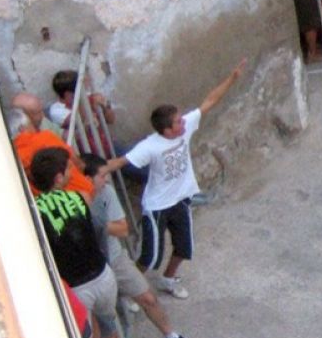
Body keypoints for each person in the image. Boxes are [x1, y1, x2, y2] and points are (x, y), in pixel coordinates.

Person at [102, 60, 246, 299]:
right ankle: (129, 292)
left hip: (180, 200)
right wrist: (93, 174)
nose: (184, 122)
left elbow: (209, 102)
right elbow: (121, 162)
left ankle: (168, 279)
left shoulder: (185, 127)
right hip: (157, 206)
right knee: (150, 257)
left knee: (184, 248)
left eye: (181, 119)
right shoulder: (150, 146)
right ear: (167, 130)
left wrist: (232, 78)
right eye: (178, 122)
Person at [81, 154, 201, 338]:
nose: (108, 180)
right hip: (90, 266)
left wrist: (94, 224)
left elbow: (122, 229)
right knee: (95, 317)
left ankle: (171, 336)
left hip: (115, 257)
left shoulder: (106, 192)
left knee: (148, 297)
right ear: (87, 179)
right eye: (103, 176)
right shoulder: (72, 200)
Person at [30, 147, 119, 338]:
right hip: (102, 275)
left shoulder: (34, 211)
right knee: (106, 329)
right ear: (59, 177)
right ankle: (109, 337)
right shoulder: (82, 197)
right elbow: (99, 232)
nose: (73, 172)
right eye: (68, 168)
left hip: (75, 288)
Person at [9, 108, 94, 201]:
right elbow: (76, 161)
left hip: (53, 208)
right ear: (22, 128)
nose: (35, 128)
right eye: (31, 124)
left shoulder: (12, 159)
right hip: (82, 194)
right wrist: (85, 176)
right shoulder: (45, 137)